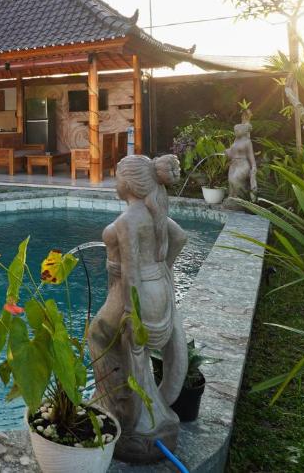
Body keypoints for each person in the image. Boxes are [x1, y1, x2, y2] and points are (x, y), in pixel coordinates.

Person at [87, 154, 187, 462]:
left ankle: (122, 412)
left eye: (117, 176)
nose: (114, 181)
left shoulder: (128, 220)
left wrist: (131, 312)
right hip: (159, 288)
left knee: (98, 336)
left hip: (133, 295)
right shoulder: (155, 212)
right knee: (137, 356)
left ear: (128, 182)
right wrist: (163, 269)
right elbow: (180, 237)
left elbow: (129, 271)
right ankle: (148, 411)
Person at [226, 123, 258, 200]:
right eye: (235, 131)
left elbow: (251, 155)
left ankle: (240, 199)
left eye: (237, 130)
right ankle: (232, 198)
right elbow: (232, 152)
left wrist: (254, 166)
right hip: (233, 163)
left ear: (243, 131)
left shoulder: (247, 142)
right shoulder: (236, 140)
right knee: (230, 181)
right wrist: (227, 151)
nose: (235, 132)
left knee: (235, 179)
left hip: (243, 163)